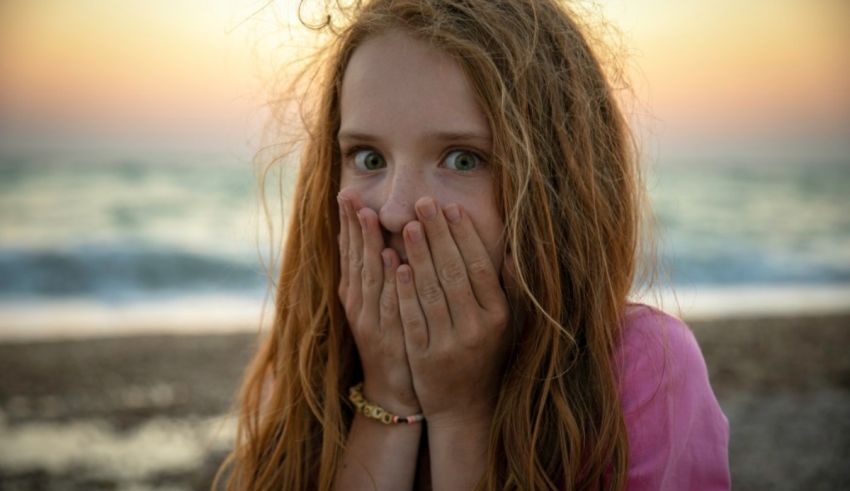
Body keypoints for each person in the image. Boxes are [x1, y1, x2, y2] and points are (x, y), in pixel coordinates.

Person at [219, 0, 730, 489]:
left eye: (463, 159)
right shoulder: (314, 362)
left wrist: (462, 411)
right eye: (368, 158)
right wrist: (387, 393)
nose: (395, 210)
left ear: (558, 185)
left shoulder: (643, 368)